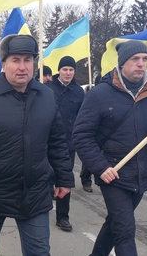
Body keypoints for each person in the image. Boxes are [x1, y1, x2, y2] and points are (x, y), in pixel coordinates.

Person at [0, 34, 74, 256]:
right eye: (15, 60)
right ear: (4, 64)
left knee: (39, 252)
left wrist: (64, 177)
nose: (22, 67)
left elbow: (57, 141)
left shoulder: (47, 96)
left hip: (35, 191)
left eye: (28, 60)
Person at [73, 41, 147, 256]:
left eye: (145, 59)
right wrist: (100, 167)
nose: (141, 64)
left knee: (115, 223)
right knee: (125, 230)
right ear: (122, 64)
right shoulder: (100, 93)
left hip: (142, 173)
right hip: (113, 173)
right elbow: (81, 135)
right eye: (134, 59)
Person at [45, 56, 85, 232]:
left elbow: (83, 116)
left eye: (71, 70)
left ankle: (63, 217)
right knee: (44, 176)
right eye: (65, 69)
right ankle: (39, 208)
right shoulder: (47, 89)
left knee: (65, 178)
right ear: (59, 71)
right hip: (46, 140)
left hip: (68, 143)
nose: (68, 73)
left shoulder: (79, 92)